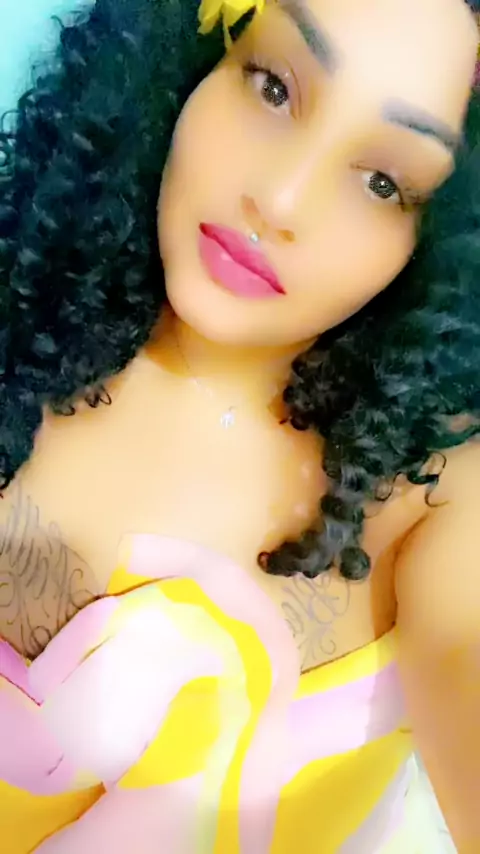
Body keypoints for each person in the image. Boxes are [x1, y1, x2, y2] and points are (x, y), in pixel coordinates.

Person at [0, 0, 478, 850]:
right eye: (272, 87)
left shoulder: (438, 491)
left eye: (383, 183)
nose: (280, 197)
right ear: (189, 55)